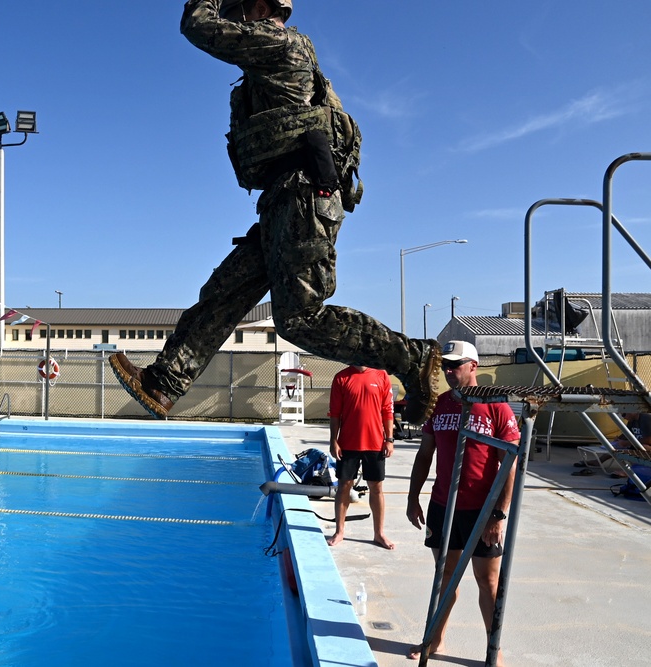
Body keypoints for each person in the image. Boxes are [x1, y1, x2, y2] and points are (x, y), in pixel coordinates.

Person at [108, 0, 440, 426]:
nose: (233, 21)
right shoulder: (268, 62)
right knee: (226, 290)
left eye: (236, 12)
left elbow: (198, 25)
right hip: (282, 198)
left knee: (301, 318)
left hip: (304, 196)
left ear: (260, 8)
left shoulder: (281, 43)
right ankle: (164, 383)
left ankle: (412, 358)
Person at [405, 341, 520, 665]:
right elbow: (425, 454)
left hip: (482, 510)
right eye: (445, 366)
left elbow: (509, 463)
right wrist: (414, 498)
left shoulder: (497, 407)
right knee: (445, 576)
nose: (448, 371)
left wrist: (498, 514)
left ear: (474, 366)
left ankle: (493, 649)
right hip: (444, 507)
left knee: (488, 581)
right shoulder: (439, 405)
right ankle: (435, 639)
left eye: (455, 365)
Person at [326, 365, 395, 549]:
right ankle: (339, 531)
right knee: (344, 486)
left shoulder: (381, 376)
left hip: (375, 443)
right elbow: (335, 413)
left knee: (376, 487)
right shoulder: (341, 378)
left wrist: (389, 439)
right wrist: (334, 440)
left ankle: (379, 533)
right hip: (348, 443)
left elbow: (387, 410)